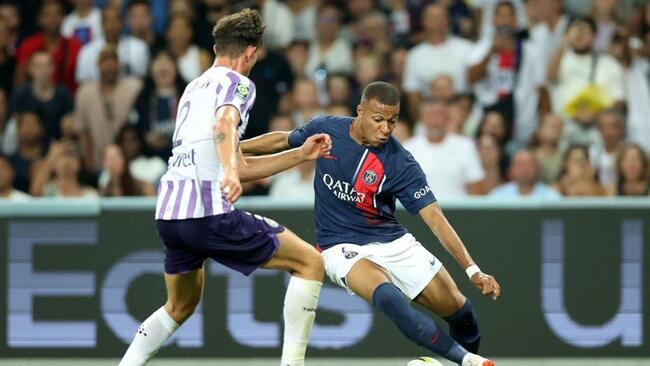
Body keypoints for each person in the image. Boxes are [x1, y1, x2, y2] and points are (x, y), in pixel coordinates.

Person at [119, 9, 330, 366]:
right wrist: (230, 172)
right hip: (208, 212)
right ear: (250, 52)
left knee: (180, 306)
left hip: (170, 214)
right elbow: (225, 123)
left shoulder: (193, 88)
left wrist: (298, 154)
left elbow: (233, 156)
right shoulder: (239, 83)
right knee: (310, 262)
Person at [241, 82, 500, 366]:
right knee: (389, 298)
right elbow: (283, 139)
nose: (386, 129)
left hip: (393, 241)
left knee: (463, 314)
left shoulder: (401, 163)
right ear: (360, 112)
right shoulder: (328, 129)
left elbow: (435, 218)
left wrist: (473, 269)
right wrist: (233, 147)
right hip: (339, 245)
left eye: (392, 121)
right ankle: (467, 360)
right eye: (378, 120)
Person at [404, 100, 485, 198]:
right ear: (423, 119)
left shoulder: (465, 146)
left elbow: (475, 186)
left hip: (458, 211)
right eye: (430, 116)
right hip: (419, 211)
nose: (435, 122)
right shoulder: (407, 148)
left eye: (440, 116)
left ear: (448, 119)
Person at [489, 149, 561, 199]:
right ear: (511, 170)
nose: (524, 168)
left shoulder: (552, 197)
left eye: (529, 164)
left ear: (537, 169)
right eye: (520, 164)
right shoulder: (498, 196)